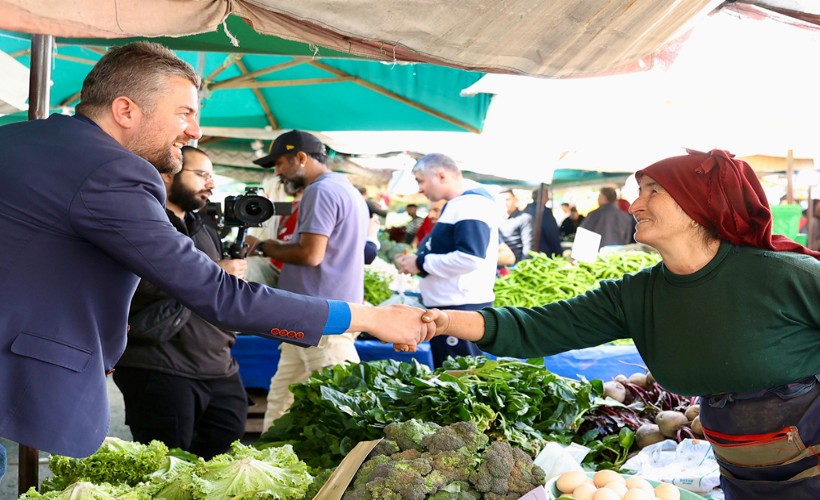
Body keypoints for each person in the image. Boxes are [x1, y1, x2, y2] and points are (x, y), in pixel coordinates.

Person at [0, 42, 429, 459]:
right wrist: (368, 316)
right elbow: (220, 295)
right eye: (184, 113)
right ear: (125, 109)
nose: (195, 131)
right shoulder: (111, 170)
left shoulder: (17, 140)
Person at [417, 149, 820, 499]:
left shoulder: (783, 275)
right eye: (636, 191)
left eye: (652, 191)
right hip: (738, 472)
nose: (635, 204)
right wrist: (442, 320)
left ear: (698, 204)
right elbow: (536, 326)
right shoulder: (637, 295)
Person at [113, 146, 248, 459]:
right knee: (166, 466)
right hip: (161, 366)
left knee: (222, 455)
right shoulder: (142, 220)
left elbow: (217, 290)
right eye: (201, 175)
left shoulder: (204, 225)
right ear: (167, 175)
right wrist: (214, 273)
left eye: (211, 176)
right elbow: (137, 281)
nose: (210, 184)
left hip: (217, 366)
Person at [251, 130, 370, 429]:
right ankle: (267, 465)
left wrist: (265, 246)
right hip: (306, 319)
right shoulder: (345, 188)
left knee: (343, 412)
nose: (277, 172)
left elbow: (311, 254)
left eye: (279, 163)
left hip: (323, 320)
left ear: (301, 158)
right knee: (281, 404)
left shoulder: (321, 191)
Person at [395, 153, 501, 368]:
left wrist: (420, 263)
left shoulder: (471, 205)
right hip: (452, 305)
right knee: (454, 376)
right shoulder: (460, 204)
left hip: (459, 308)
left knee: (461, 378)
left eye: (421, 181)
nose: (420, 189)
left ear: (441, 176)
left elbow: (470, 257)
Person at [523, 188, 563, 256]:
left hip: (528, 252)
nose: (548, 198)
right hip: (543, 253)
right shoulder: (544, 212)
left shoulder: (526, 210)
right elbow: (552, 233)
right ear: (542, 196)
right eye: (547, 195)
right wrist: (558, 252)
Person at [498, 189, 533, 263]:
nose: (505, 203)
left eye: (507, 199)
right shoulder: (498, 219)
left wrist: (523, 266)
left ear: (515, 200)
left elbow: (528, 246)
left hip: (518, 263)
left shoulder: (524, 218)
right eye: (501, 200)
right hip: (502, 264)